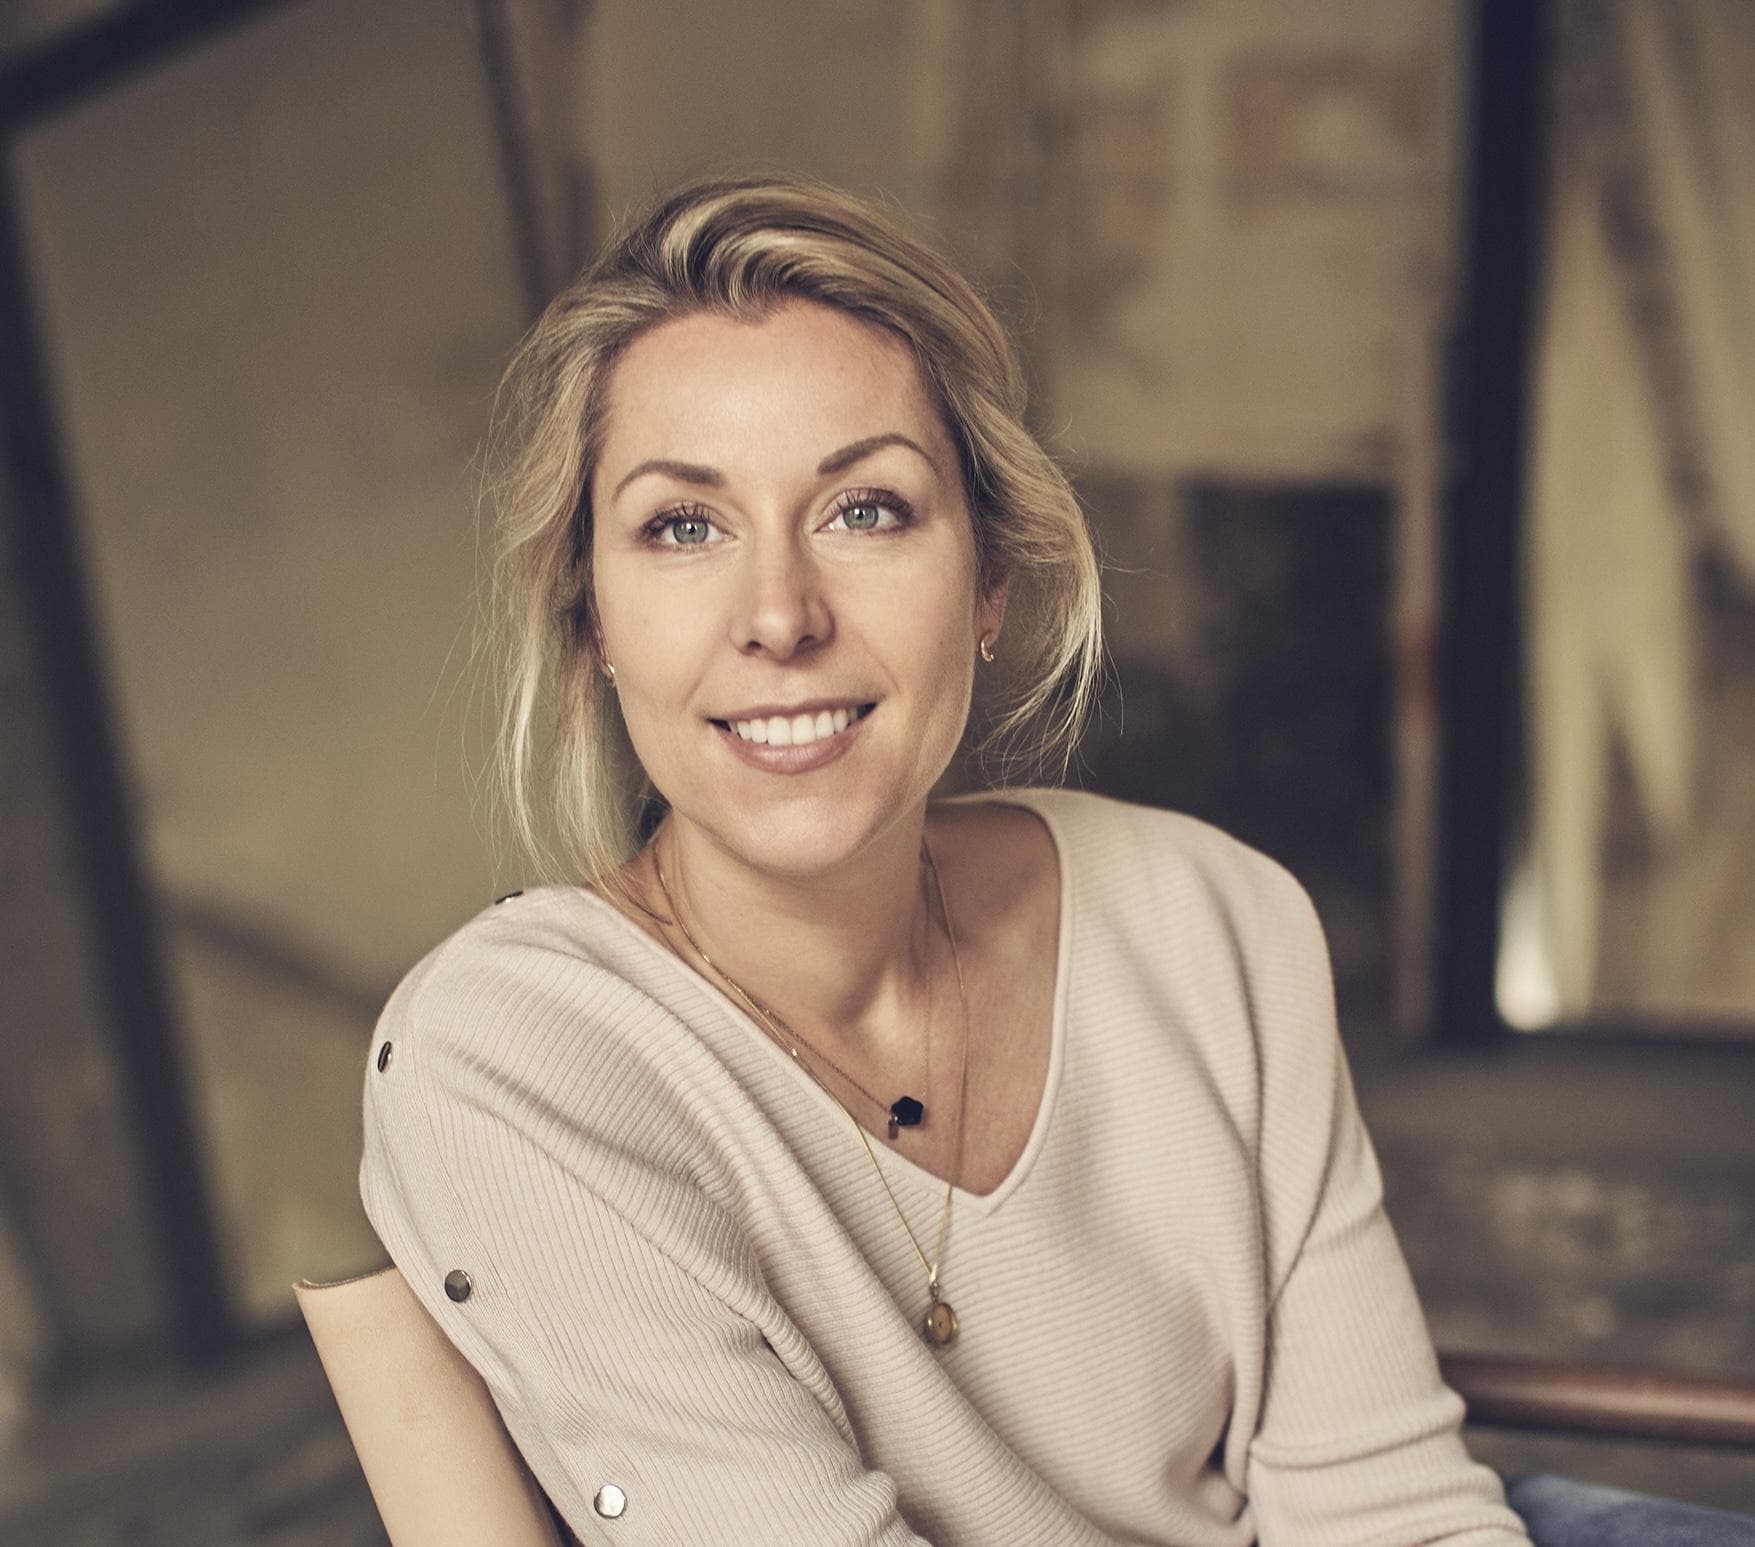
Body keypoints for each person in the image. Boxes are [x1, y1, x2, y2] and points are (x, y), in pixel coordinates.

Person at [357, 177, 1745, 1545]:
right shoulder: (514, 1056)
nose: (778, 616)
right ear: (592, 619)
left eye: (866, 510)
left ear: (991, 583)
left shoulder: (1212, 917)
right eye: (682, 526)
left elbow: (1388, 1508)